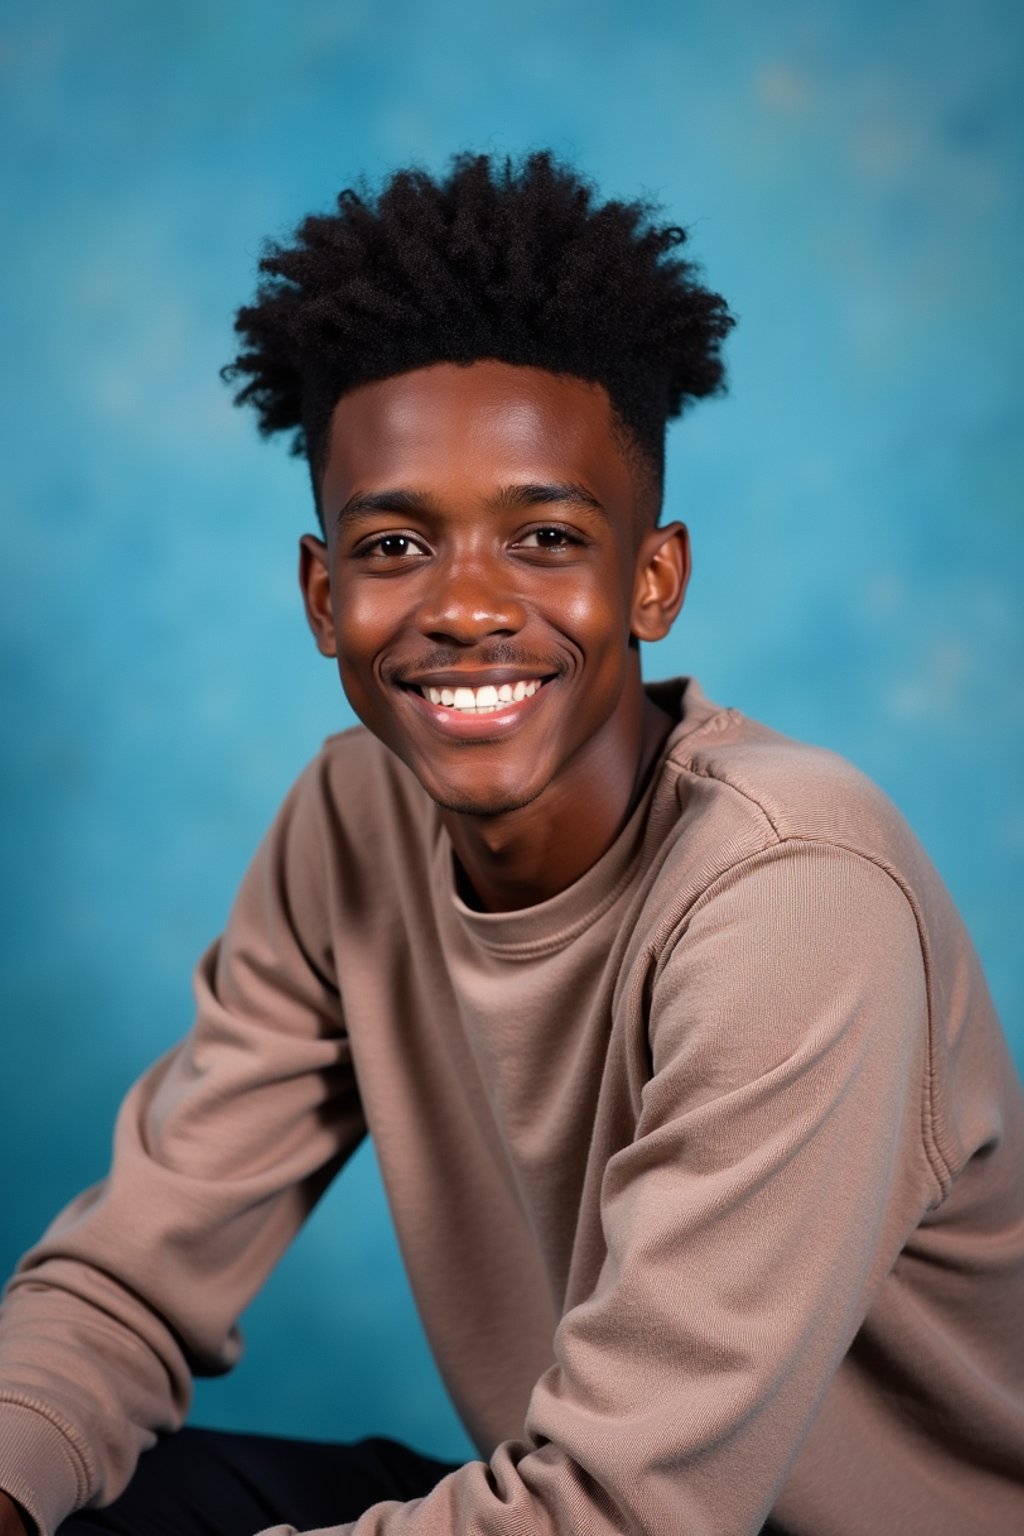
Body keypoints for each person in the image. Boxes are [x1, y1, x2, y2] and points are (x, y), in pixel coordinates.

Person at [1, 151, 1022, 1536]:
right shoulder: (350, 823)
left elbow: (611, 1515)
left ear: (650, 578)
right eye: (396, 547)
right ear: (321, 594)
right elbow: (127, 1280)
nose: (467, 607)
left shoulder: (794, 895)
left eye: (544, 537)